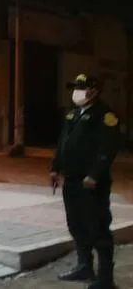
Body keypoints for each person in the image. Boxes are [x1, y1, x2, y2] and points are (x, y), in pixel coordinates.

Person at [51, 73, 121, 289]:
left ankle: (105, 278)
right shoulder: (73, 114)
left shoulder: (106, 115)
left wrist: (95, 174)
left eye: (82, 87)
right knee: (77, 225)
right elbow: (63, 143)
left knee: (98, 228)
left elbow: (108, 148)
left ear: (94, 90)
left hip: (91, 183)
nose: (77, 91)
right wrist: (55, 168)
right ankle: (84, 266)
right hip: (71, 181)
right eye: (76, 87)